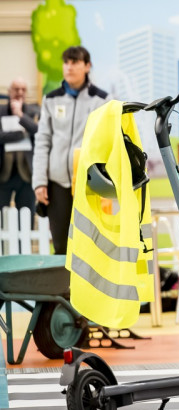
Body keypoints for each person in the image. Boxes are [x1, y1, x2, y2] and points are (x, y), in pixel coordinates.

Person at [32, 46, 109, 254]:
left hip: (89, 183)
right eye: (66, 62)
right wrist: (39, 181)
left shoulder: (101, 100)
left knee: (90, 246)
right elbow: (42, 141)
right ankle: (64, 288)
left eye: (75, 62)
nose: (69, 67)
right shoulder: (51, 99)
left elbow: (106, 141)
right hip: (57, 184)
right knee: (61, 247)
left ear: (87, 66)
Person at [0, 78, 40, 211]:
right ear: (9, 91)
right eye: (16, 89)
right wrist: (22, 134)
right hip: (3, 173)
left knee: (27, 214)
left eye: (23, 89)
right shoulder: (1, 111)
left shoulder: (34, 110)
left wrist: (19, 114)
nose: (20, 92)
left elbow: (38, 131)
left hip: (26, 174)